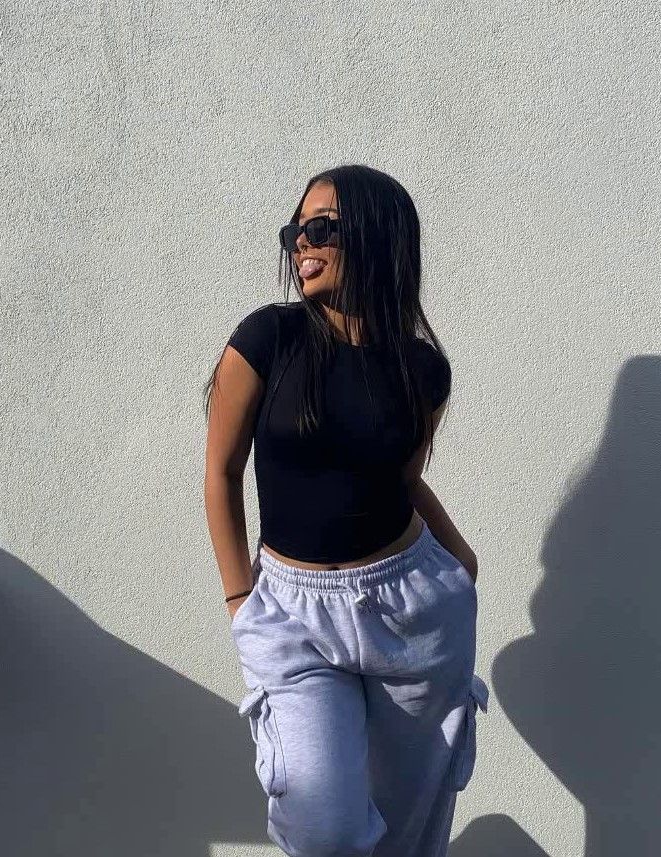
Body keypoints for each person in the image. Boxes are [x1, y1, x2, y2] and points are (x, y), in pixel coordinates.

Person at [203, 164, 489, 857]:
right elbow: (221, 472)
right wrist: (240, 601)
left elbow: (402, 480)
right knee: (322, 826)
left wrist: (459, 561)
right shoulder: (267, 340)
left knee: (408, 829)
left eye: (323, 227)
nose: (302, 242)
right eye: (296, 230)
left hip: (412, 611)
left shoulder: (423, 370)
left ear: (376, 235)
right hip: (292, 612)